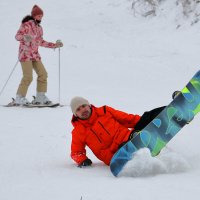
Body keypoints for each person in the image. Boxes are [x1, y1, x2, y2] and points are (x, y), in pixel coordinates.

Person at [70, 96, 165, 167]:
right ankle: (143, 144)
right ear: (76, 114)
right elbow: (76, 152)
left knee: (146, 117)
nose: (83, 110)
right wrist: (82, 160)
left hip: (130, 137)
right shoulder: (78, 131)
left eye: (83, 106)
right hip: (115, 155)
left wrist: (146, 121)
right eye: (78, 109)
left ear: (89, 105)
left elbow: (127, 119)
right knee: (126, 145)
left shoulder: (104, 111)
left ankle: (170, 111)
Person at [15, 5, 63, 105]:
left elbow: (41, 42)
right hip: (25, 54)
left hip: (35, 55)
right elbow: (17, 36)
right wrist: (24, 37)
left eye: (41, 16)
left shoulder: (39, 28)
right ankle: (20, 97)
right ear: (33, 16)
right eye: (38, 16)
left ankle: (40, 96)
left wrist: (55, 45)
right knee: (28, 76)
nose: (40, 18)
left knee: (43, 74)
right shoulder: (26, 25)